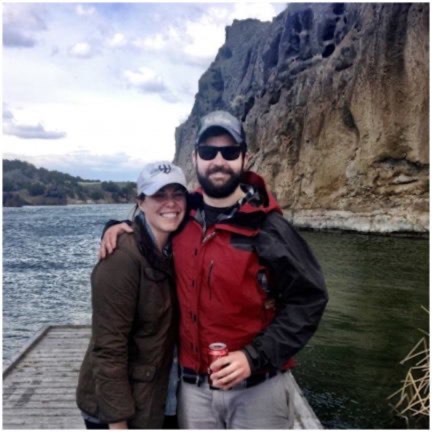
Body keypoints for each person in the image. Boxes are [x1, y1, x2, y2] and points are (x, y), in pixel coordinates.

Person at [100, 110, 328, 429]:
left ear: (245, 158)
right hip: (194, 393)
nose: (218, 161)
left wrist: (253, 356)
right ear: (195, 158)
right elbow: (151, 225)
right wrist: (117, 227)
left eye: (229, 152)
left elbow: (310, 299)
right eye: (208, 152)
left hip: (258, 390)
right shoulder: (182, 216)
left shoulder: (269, 226)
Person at [76, 161, 188, 429]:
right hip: (120, 409)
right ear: (141, 201)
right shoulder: (121, 257)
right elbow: (108, 348)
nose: (170, 203)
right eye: (159, 195)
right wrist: (117, 422)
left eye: (177, 194)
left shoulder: (176, 248)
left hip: (158, 398)